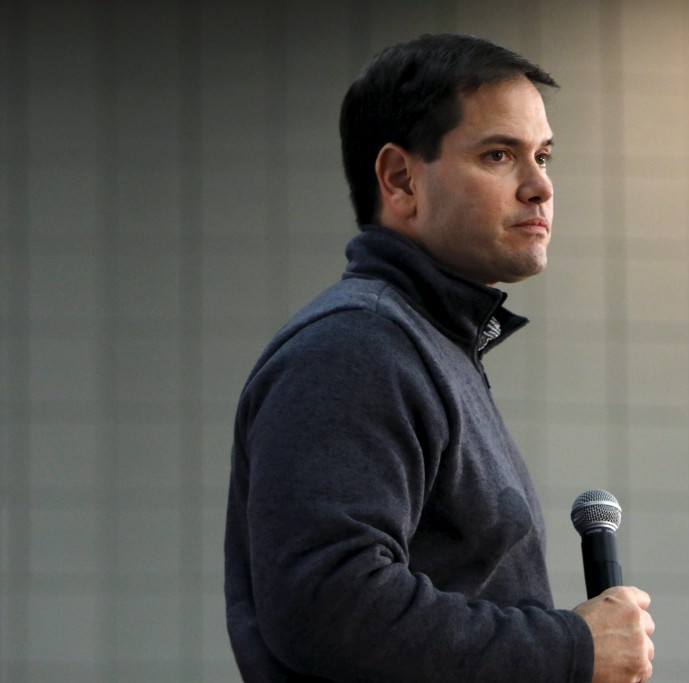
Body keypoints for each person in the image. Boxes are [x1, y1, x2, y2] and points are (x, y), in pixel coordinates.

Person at [224, 33, 655, 683]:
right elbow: (330, 605)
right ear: (401, 179)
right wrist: (569, 648)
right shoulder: (358, 347)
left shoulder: (425, 344)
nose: (539, 186)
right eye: (499, 154)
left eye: (543, 156)